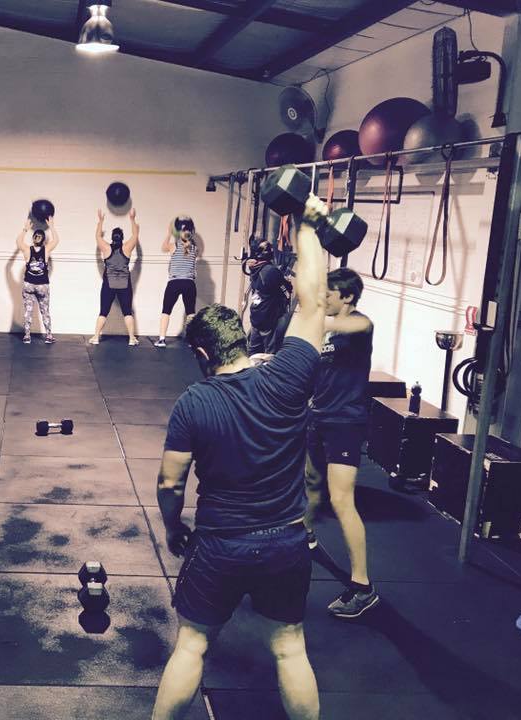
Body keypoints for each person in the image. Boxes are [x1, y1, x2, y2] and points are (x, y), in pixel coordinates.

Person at [152, 197, 330, 720]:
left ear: (203, 354)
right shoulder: (287, 376)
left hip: (221, 543)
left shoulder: (194, 403)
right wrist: (309, 226)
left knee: (192, 646)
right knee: (290, 648)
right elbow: (314, 304)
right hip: (286, 541)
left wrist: (173, 528)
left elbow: (170, 484)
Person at [303, 267, 378, 619]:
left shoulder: (360, 324)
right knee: (310, 482)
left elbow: (351, 326)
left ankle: (362, 587)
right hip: (318, 416)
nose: (324, 299)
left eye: (329, 294)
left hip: (345, 422)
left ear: (347, 296)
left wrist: (312, 318)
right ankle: (305, 536)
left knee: (342, 499)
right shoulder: (330, 330)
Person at [89, 208, 140, 346]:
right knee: (127, 312)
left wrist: (100, 221)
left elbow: (97, 237)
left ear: (112, 237)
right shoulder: (127, 248)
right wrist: (132, 219)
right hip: (124, 285)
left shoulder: (106, 248)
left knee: (103, 312)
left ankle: (96, 337)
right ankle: (131, 338)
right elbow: (135, 235)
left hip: (109, 285)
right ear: (122, 237)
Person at [155, 216, 198, 347]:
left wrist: (169, 233)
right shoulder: (195, 249)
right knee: (190, 312)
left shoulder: (174, 246)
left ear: (179, 233)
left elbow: (163, 248)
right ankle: (192, 341)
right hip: (189, 283)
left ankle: (162, 340)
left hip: (174, 283)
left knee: (166, 310)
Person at [16, 216, 59, 344]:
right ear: (43, 240)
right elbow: (56, 240)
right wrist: (51, 227)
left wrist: (25, 229)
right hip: (42, 286)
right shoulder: (46, 249)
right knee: (45, 311)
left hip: (29, 285)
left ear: (33, 239)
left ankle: (27, 336)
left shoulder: (27, 250)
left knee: (28, 311)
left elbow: (18, 241)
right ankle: (49, 336)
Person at [246, 239, 292, 356]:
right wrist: (286, 282)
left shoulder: (255, 268)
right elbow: (286, 291)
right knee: (269, 355)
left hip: (256, 317)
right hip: (268, 319)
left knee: (253, 352)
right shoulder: (271, 271)